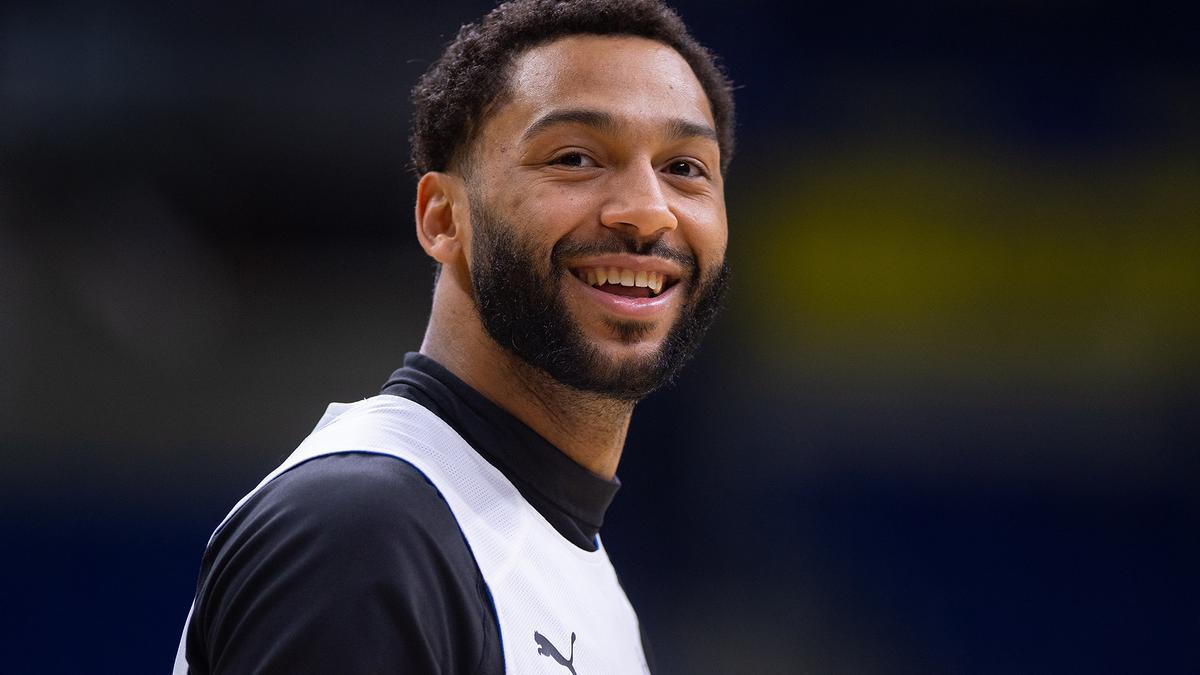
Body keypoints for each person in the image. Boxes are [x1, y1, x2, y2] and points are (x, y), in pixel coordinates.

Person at [172, 0, 735, 672]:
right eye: (577, 157)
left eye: (685, 169)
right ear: (443, 218)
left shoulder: (581, 578)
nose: (647, 212)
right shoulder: (366, 531)